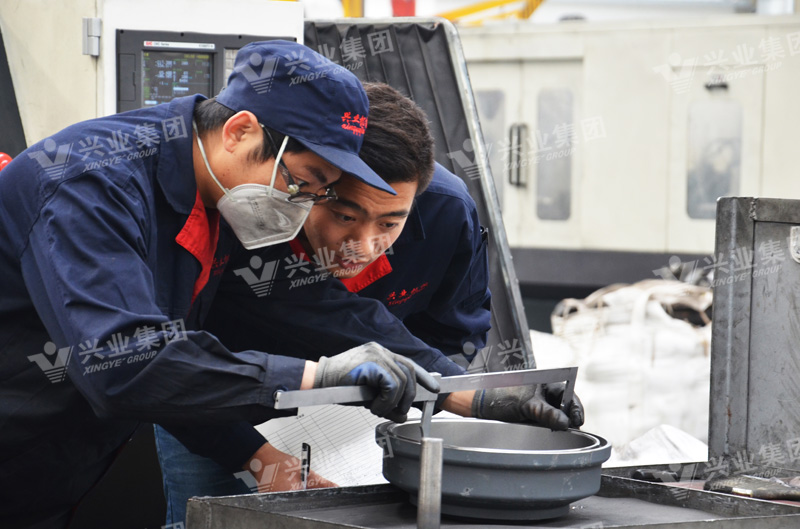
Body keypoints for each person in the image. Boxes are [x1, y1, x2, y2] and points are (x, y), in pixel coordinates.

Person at [0, 42, 439, 529]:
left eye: (320, 193)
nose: (301, 205)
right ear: (239, 131)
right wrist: (317, 377)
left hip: (50, 474)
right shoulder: (89, 183)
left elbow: (307, 307)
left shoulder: (224, 198)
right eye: (302, 182)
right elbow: (125, 364)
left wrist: (458, 389)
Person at [154, 82, 585, 525]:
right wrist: (257, 459)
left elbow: (454, 335)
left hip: (371, 422)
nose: (362, 246)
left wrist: (479, 395)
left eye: (390, 222)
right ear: (309, 182)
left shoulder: (446, 212)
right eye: (345, 216)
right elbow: (175, 367)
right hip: (221, 409)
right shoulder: (248, 219)